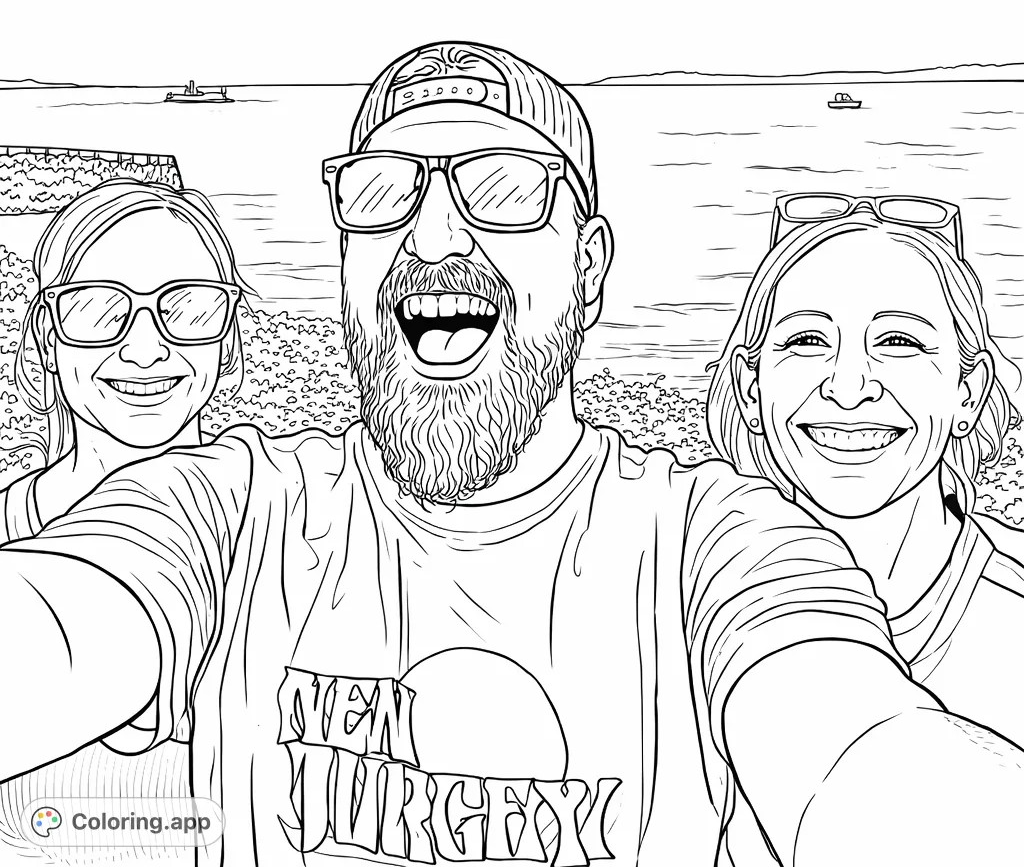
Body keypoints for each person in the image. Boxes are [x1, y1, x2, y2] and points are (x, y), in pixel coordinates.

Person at [1, 46, 1023, 867]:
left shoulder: (716, 539)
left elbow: (849, 743)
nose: (432, 232)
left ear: (588, 267)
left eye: (501, 189)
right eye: (381, 191)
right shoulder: (230, 503)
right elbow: (65, 621)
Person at [706, 192, 1024, 862]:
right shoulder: (679, 600)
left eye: (899, 341)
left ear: (967, 391)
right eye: (806, 341)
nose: (849, 386)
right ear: (749, 387)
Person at [0, 178, 248, 862]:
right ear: (46, 340)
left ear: (226, 343)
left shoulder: (283, 528)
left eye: (189, 308)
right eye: (98, 309)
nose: (144, 349)